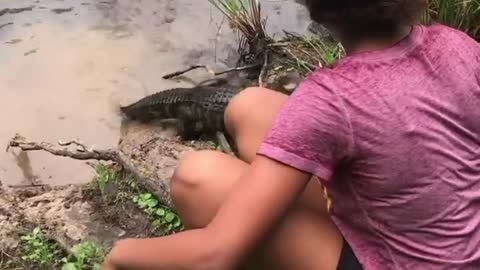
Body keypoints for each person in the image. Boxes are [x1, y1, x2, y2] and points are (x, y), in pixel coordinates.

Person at [102, 0, 480, 269]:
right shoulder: (456, 45)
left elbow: (215, 255)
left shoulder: (331, 99)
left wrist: (120, 256)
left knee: (197, 179)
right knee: (250, 107)